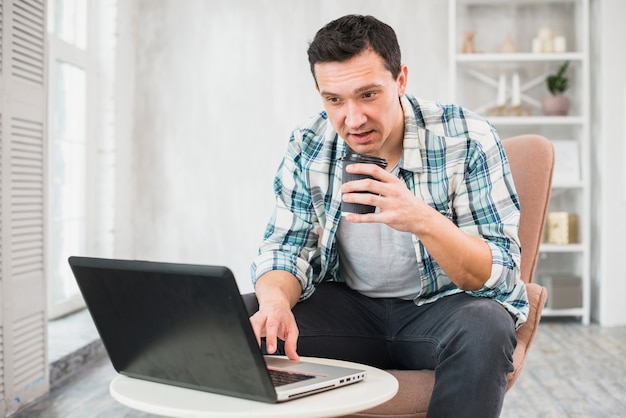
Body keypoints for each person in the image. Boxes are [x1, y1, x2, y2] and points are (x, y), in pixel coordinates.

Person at [246, 14, 529, 418]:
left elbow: (497, 269)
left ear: (400, 80)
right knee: (242, 318)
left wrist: (423, 219)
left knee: (485, 326)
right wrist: (273, 301)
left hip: (440, 312)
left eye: (368, 94)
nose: (353, 118)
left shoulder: (467, 138)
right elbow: (287, 249)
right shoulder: (309, 142)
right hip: (350, 312)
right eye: (334, 100)